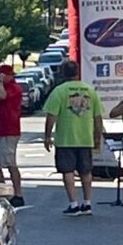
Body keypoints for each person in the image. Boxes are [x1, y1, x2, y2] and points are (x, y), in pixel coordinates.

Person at [44, 59, 104, 216]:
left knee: (68, 171)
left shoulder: (59, 91)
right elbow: (98, 117)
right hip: (86, 138)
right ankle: (87, 203)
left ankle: (73, 203)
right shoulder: (90, 91)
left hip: (65, 138)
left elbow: (51, 116)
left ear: (63, 73)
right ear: (78, 72)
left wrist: (47, 136)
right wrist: (98, 135)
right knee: (86, 171)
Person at [0, 64, 25, 207]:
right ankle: (3, 192)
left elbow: (1, 95)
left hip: (9, 130)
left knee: (10, 164)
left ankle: (18, 194)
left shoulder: (14, 88)